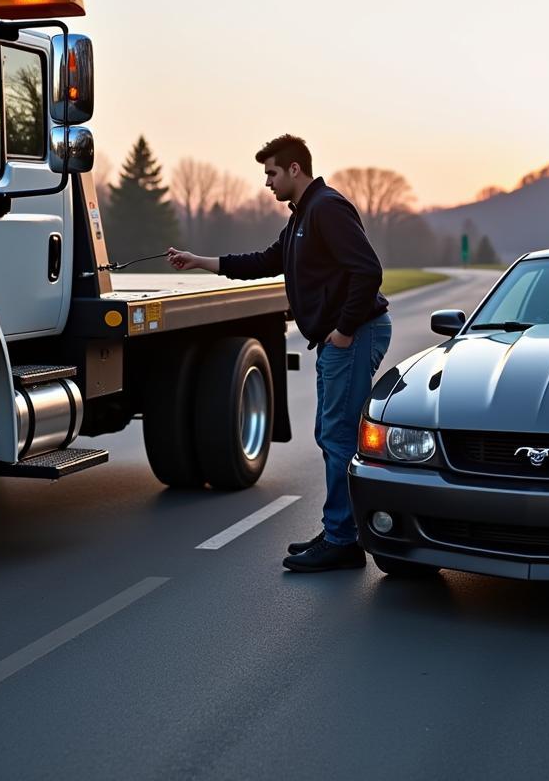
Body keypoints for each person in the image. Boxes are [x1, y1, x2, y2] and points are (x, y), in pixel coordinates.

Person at [167, 134, 392, 572]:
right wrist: (201, 260)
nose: (266, 182)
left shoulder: (326, 207)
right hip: (341, 336)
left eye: (271, 173)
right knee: (333, 437)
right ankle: (338, 531)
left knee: (339, 437)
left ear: (294, 169)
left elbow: (368, 270)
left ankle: (343, 540)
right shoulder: (302, 216)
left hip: (356, 333)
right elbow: (265, 261)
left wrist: (344, 331)